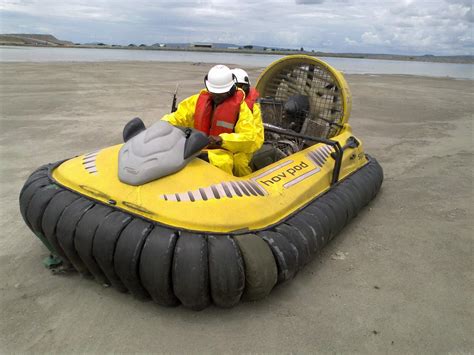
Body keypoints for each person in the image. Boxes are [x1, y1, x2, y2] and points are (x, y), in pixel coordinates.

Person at [161, 65, 263, 176]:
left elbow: (250, 137)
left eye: (221, 93)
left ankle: (242, 185)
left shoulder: (242, 108)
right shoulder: (195, 101)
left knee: (235, 163)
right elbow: (177, 117)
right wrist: (162, 125)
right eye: (214, 93)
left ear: (231, 89)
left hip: (225, 150)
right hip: (196, 148)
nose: (217, 97)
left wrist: (222, 140)